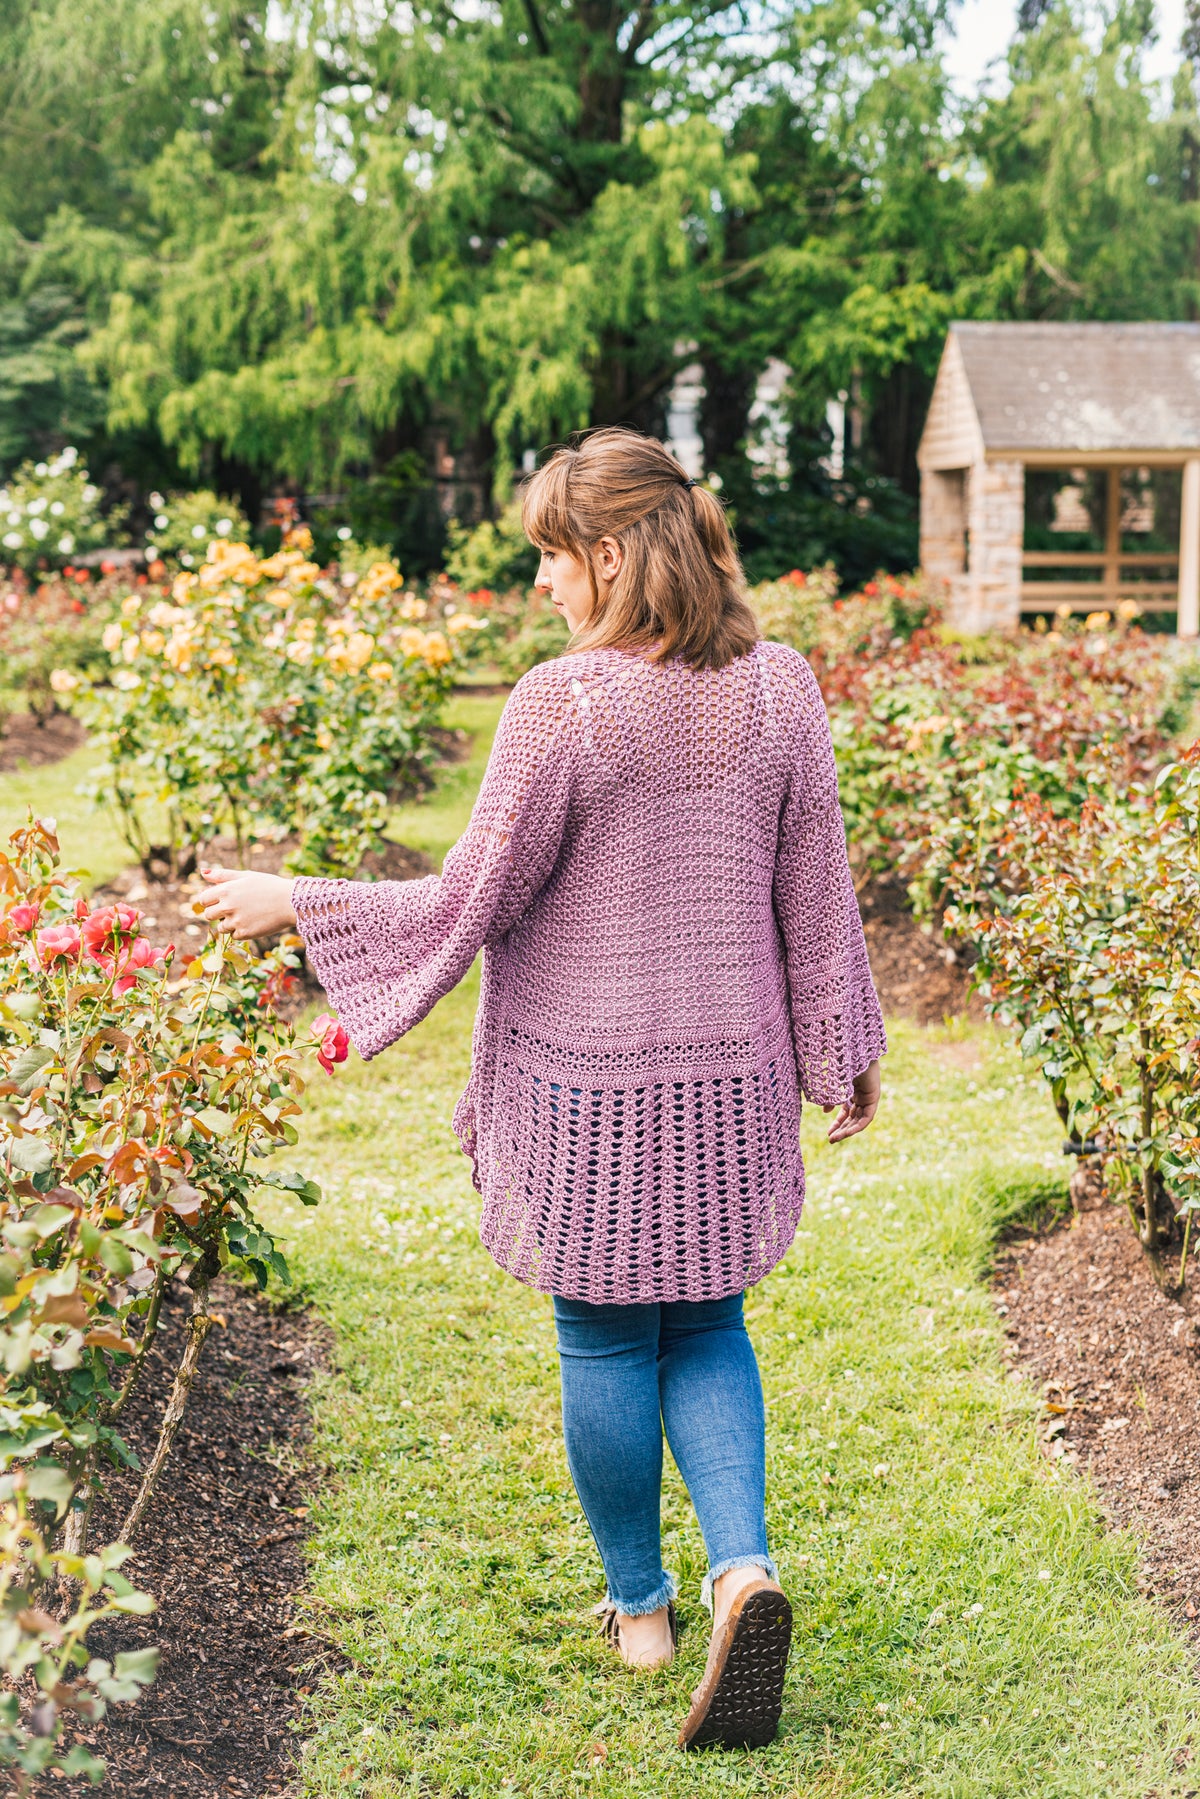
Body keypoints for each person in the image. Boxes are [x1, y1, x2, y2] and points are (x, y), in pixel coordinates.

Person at [199, 427, 884, 1751]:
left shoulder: (563, 703)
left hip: (589, 1098)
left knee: (607, 1340)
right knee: (710, 1325)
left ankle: (642, 1610)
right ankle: (744, 1570)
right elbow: (817, 888)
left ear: (613, 555)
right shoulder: (782, 686)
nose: (541, 583)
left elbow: (472, 896)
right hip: (732, 1081)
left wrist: (300, 900)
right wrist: (840, 1045)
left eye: (552, 558)